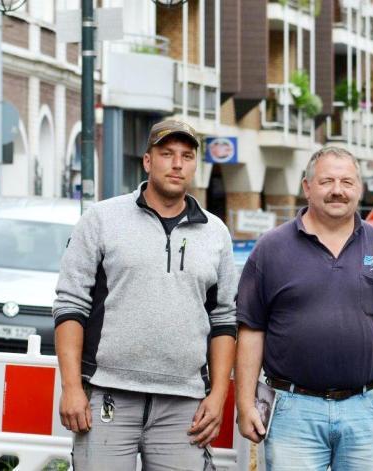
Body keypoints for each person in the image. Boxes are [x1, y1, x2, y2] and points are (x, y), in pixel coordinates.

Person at [52, 119, 237, 470]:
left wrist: (218, 395)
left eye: (187, 155)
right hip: (109, 395)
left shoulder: (216, 233)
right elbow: (71, 305)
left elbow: (224, 319)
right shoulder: (102, 219)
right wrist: (72, 387)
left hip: (184, 404)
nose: (177, 164)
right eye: (167, 154)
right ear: (148, 161)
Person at [235, 146, 373, 470]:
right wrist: (244, 402)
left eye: (347, 182)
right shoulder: (271, 249)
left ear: (359, 188)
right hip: (292, 410)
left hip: (366, 409)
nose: (337, 191)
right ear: (307, 187)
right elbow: (251, 329)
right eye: (327, 181)